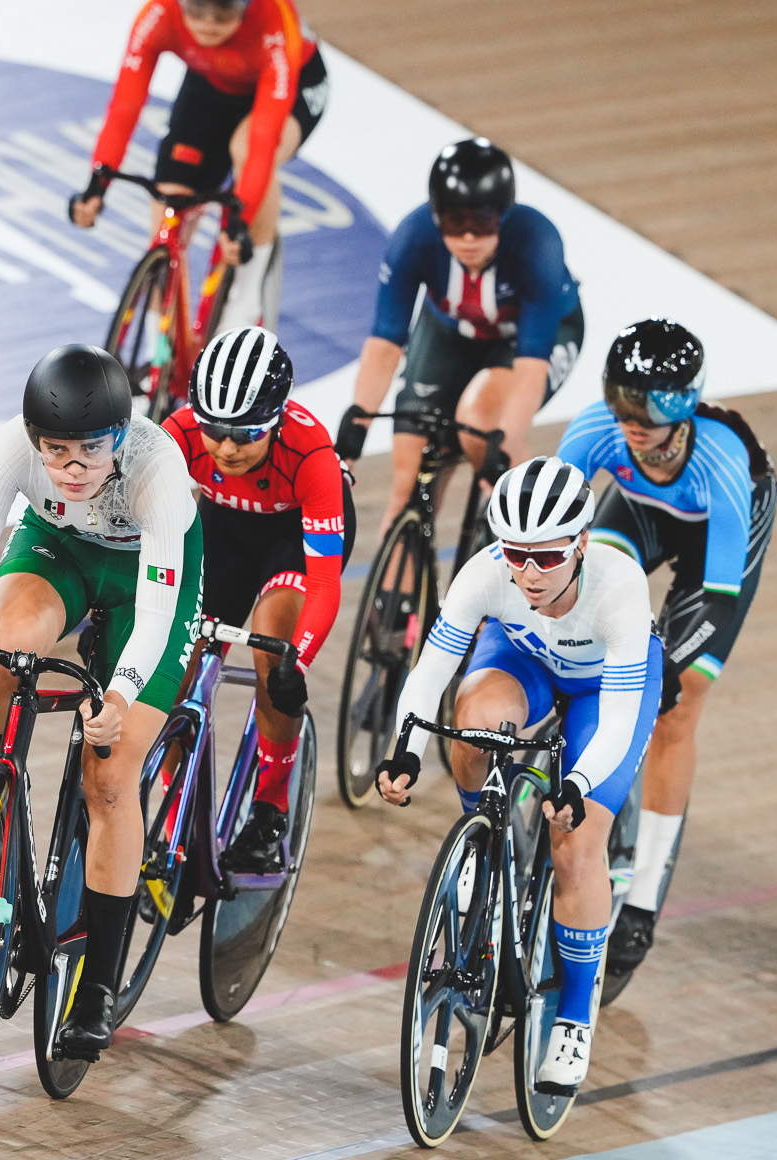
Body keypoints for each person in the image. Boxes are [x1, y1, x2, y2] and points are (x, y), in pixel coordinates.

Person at [0, 344, 201, 1058]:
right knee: (2, 640)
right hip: (59, 547)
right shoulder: (12, 447)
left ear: (121, 437)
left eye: (89, 450)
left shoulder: (158, 472)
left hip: (146, 585)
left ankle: (96, 983)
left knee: (112, 777)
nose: (69, 466)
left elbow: (155, 614)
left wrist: (121, 694)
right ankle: (4, 797)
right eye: (55, 449)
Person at [375, 457, 661, 1093]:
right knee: (474, 723)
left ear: (582, 542)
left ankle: (573, 1016)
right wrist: (406, 751)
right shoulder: (487, 574)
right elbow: (430, 674)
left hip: (601, 693)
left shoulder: (619, 586)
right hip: (524, 660)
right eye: (515, 554)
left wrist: (578, 786)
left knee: (576, 844)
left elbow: (616, 721)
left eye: (547, 557)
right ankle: (484, 829)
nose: (528, 572)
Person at [556, 320, 777, 982]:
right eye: (620, 399)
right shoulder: (599, 429)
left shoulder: (722, 459)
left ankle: (644, 897)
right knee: (581, 618)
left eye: (647, 406)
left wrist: (675, 670)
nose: (631, 419)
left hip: (717, 545)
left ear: (683, 406)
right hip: (643, 512)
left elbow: (721, 592)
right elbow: (553, 529)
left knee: (676, 709)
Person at [160, 327, 351, 880]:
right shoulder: (177, 435)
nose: (225, 448)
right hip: (223, 530)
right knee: (177, 652)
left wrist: (298, 662)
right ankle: (174, 808)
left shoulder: (309, 452)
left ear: (277, 418)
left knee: (272, 645)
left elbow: (323, 584)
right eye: (214, 430)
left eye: (245, 433)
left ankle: (270, 808)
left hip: (290, 539)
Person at [334, 138, 584, 536]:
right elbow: (384, 344)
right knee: (407, 477)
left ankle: (535, 533)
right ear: (435, 218)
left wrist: (504, 444)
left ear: (503, 216)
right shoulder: (413, 239)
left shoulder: (537, 244)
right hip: (451, 330)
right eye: (454, 223)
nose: (468, 238)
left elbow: (532, 367)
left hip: (530, 339)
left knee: (480, 424)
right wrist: (356, 426)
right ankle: (398, 590)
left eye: (482, 223)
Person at [72, 0, 329, 333]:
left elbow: (263, 143)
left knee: (248, 149)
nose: (208, 22)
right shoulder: (158, 13)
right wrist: (98, 181)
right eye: (196, 8)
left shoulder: (273, 18)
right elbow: (125, 105)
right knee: (169, 198)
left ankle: (244, 305)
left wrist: (241, 219)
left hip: (292, 85)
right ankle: (160, 341)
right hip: (211, 82)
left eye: (224, 10)